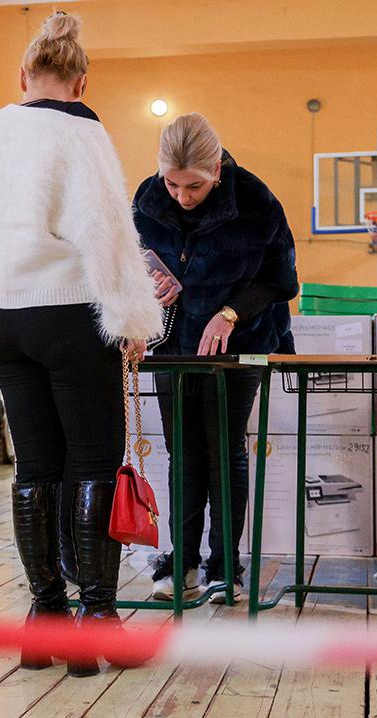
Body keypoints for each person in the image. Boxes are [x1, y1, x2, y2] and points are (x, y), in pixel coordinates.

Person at [0, 11, 162, 676]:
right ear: (81, 81)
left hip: (7, 319)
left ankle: (43, 617)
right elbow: (106, 232)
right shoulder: (82, 130)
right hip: (70, 314)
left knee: (34, 468)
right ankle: (97, 617)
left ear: (23, 75)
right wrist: (133, 317)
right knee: (95, 461)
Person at [133, 113, 299, 603]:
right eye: (173, 184)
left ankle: (225, 568)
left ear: (218, 172)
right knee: (182, 452)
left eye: (195, 186)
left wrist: (230, 313)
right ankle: (181, 562)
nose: (183, 196)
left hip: (240, 344)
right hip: (172, 345)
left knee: (223, 451)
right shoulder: (145, 200)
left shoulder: (256, 201)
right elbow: (125, 267)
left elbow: (281, 280)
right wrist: (146, 293)